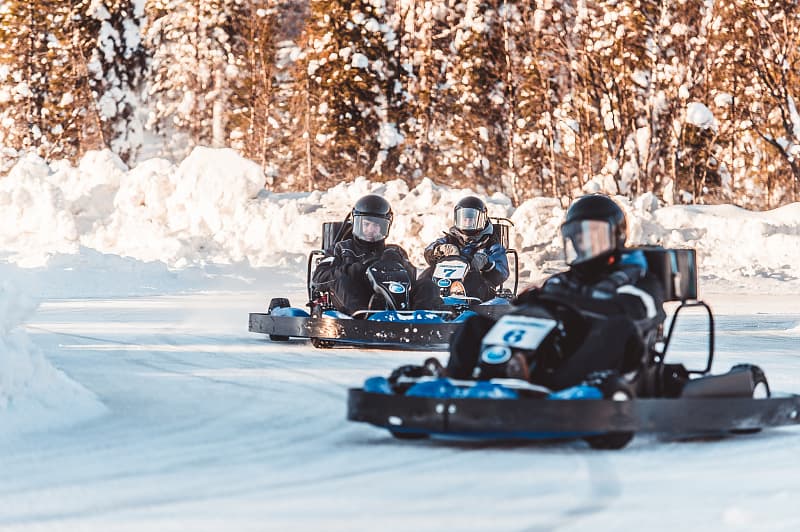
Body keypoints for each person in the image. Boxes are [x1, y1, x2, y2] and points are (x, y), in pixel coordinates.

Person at [446, 193, 667, 391]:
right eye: (578, 235)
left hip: (599, 366)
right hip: (553, 353)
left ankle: (547, 388)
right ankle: (457, 383)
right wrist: (531, 301)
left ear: (615, 234)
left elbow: (634, 310)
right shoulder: (564, 279)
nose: (585, 241)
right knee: (474, 325)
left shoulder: (640, 278)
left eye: (593, 233)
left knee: (618, 328)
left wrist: (571, 302)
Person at [312, 194, 442, 315]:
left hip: (394, 304)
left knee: (427, 285)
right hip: (357, 304)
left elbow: (411, 280)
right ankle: (365, 318)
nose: (370, 230)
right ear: (357, 224)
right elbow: (319, 277)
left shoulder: (394, 251)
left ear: (385, 227)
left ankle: (424, 319)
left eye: (376, 225)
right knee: (342, 281)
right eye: (366, 224)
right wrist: (357, 269)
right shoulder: (342, 248)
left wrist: (395, 264)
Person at [420, 196, 510, 301]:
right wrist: (439, 250)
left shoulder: (491, 244)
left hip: (479, 285)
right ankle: (419, 303)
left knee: (472, 279)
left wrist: (487, 262)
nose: (467, 223)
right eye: (464, 219)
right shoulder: (450, 239)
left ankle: (461, 303)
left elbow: (502, 272)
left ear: (482, 219)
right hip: (446, 281)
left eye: (471, 220)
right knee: (427, 275)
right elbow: (428, 250)